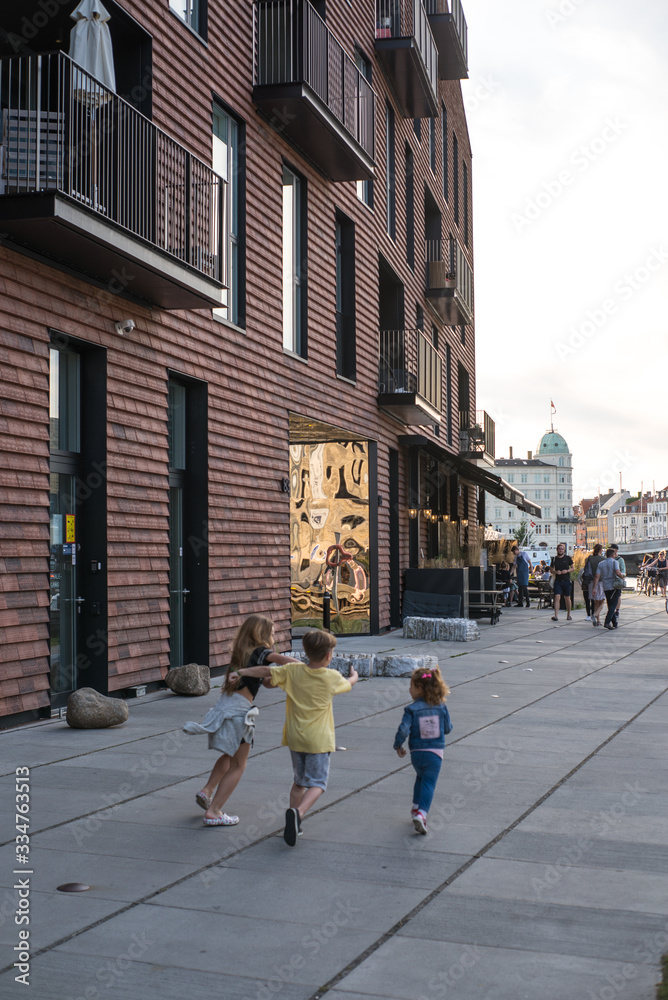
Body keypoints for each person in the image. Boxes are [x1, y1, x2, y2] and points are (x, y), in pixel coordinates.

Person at [229, 629, 358, 846]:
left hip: (295, 738)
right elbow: (350, 683)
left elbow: (265, 671)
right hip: (318, 740)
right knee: (318, 784)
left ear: (306, 652)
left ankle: (295, 823)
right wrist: (354, 674)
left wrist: (241, 672)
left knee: (299, 782)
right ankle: (297, 814)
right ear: (328, 656)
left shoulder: (292, 671)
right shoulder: (331, 678)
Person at [183, 614, 295, 827]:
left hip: (225, 706)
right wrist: (309, 668)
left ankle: (207, 791)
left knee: (229, 756)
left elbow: (265, 681)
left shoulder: (242, 654)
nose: (274, 636)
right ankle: (214, 811)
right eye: (272, 633)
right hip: (239, 714)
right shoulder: (261, 652)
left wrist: (278, 680)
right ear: (261, 634)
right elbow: (284, 663)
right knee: (239, 765)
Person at [393, 666, 452, 835]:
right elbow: (447, 728)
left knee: (420, 778)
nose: (409, 689)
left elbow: (403, 730)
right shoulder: (441, 706)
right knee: (429, 783)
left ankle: (415, 807)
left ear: (419, 689)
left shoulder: (411, 709)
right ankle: (422, 814)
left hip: (416, 753)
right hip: (435, 753)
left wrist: (398, 745)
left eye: (411, 686)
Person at [593, 548, 624, 630]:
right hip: (614, 586)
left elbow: (597, 576)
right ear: (613, 555)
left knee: (610, 604)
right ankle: (607, 622)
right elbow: (617, 572)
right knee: (613, 605)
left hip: (605, 586)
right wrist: (623, 577)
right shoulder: (615, 562)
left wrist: (594, 587)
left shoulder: (601, 564)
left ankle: (615, 623)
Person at [550, 542, 574, 622]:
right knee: (557, 597)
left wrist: (567, 571)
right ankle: (556, 615)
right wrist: (556, 572)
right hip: (558, 581)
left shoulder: (568, 558)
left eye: (562, 549)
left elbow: (573, 568)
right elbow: (551, 569)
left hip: (566, 580)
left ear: (564, 550)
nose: (561, 550)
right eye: (559, 549)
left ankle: (569, 614)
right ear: (557, 550)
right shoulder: (554, 559)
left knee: (567, 597)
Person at [583, 543, 605, 626]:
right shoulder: (603, 559)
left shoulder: (589, 558)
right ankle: (595, 614)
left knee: (595, 602)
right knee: (602, 601)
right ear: (600, 550)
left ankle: (598, 621)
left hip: (591, 582)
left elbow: (585, 568)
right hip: (600, 581)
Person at [609, 544, 627, 625]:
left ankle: (617, 610)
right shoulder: (609, 559)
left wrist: (621, 576)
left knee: (618, 595)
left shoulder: (620, 560)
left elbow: (623, 570)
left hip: (617, 580)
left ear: (616, 550)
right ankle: (611, 610)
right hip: (609, 580)